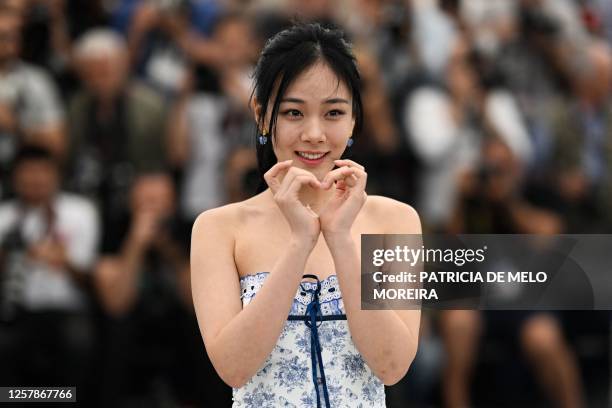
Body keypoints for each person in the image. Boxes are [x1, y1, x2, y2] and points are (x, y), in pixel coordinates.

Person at [191, 23, 421, 407]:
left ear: (353, 120)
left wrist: (342, 241)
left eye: (333, 113)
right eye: (294, 112)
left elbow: (393, 365)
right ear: (263, 116)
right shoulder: (218, 228)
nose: (314, 134)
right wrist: (299, 244)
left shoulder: (397, 221)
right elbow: (233, 367)